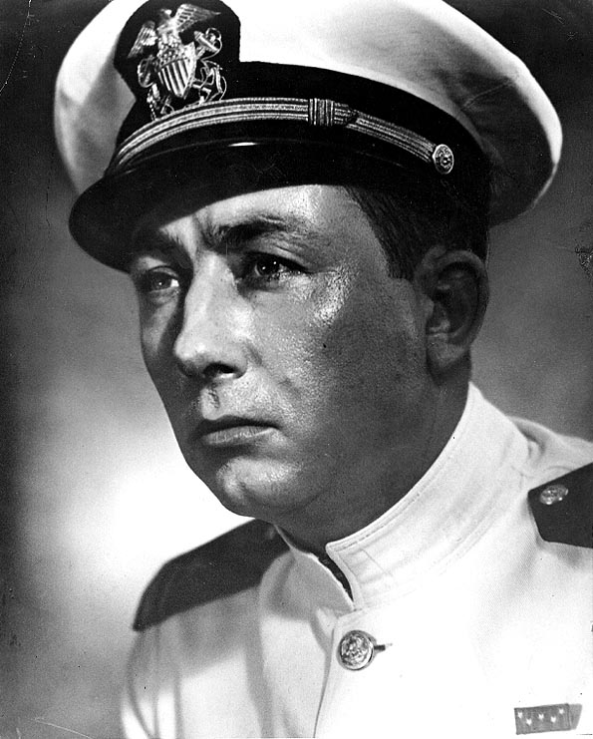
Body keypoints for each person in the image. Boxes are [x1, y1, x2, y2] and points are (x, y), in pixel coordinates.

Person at [54, 0, 593, 736]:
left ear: (444, 308)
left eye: (267, 265)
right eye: (161, 279)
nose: (192, 344)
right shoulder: (185, 635)